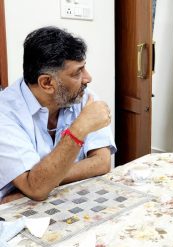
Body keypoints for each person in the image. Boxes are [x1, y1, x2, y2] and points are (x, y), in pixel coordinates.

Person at [0, 26, 117, 204]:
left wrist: (35, 186)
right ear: (47, 83)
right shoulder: (5, 113)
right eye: (78, 72)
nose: (88, 78)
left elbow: (101, 162)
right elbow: (37, 189)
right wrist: (79, 129)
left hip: (60, 200)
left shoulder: (82, 96)